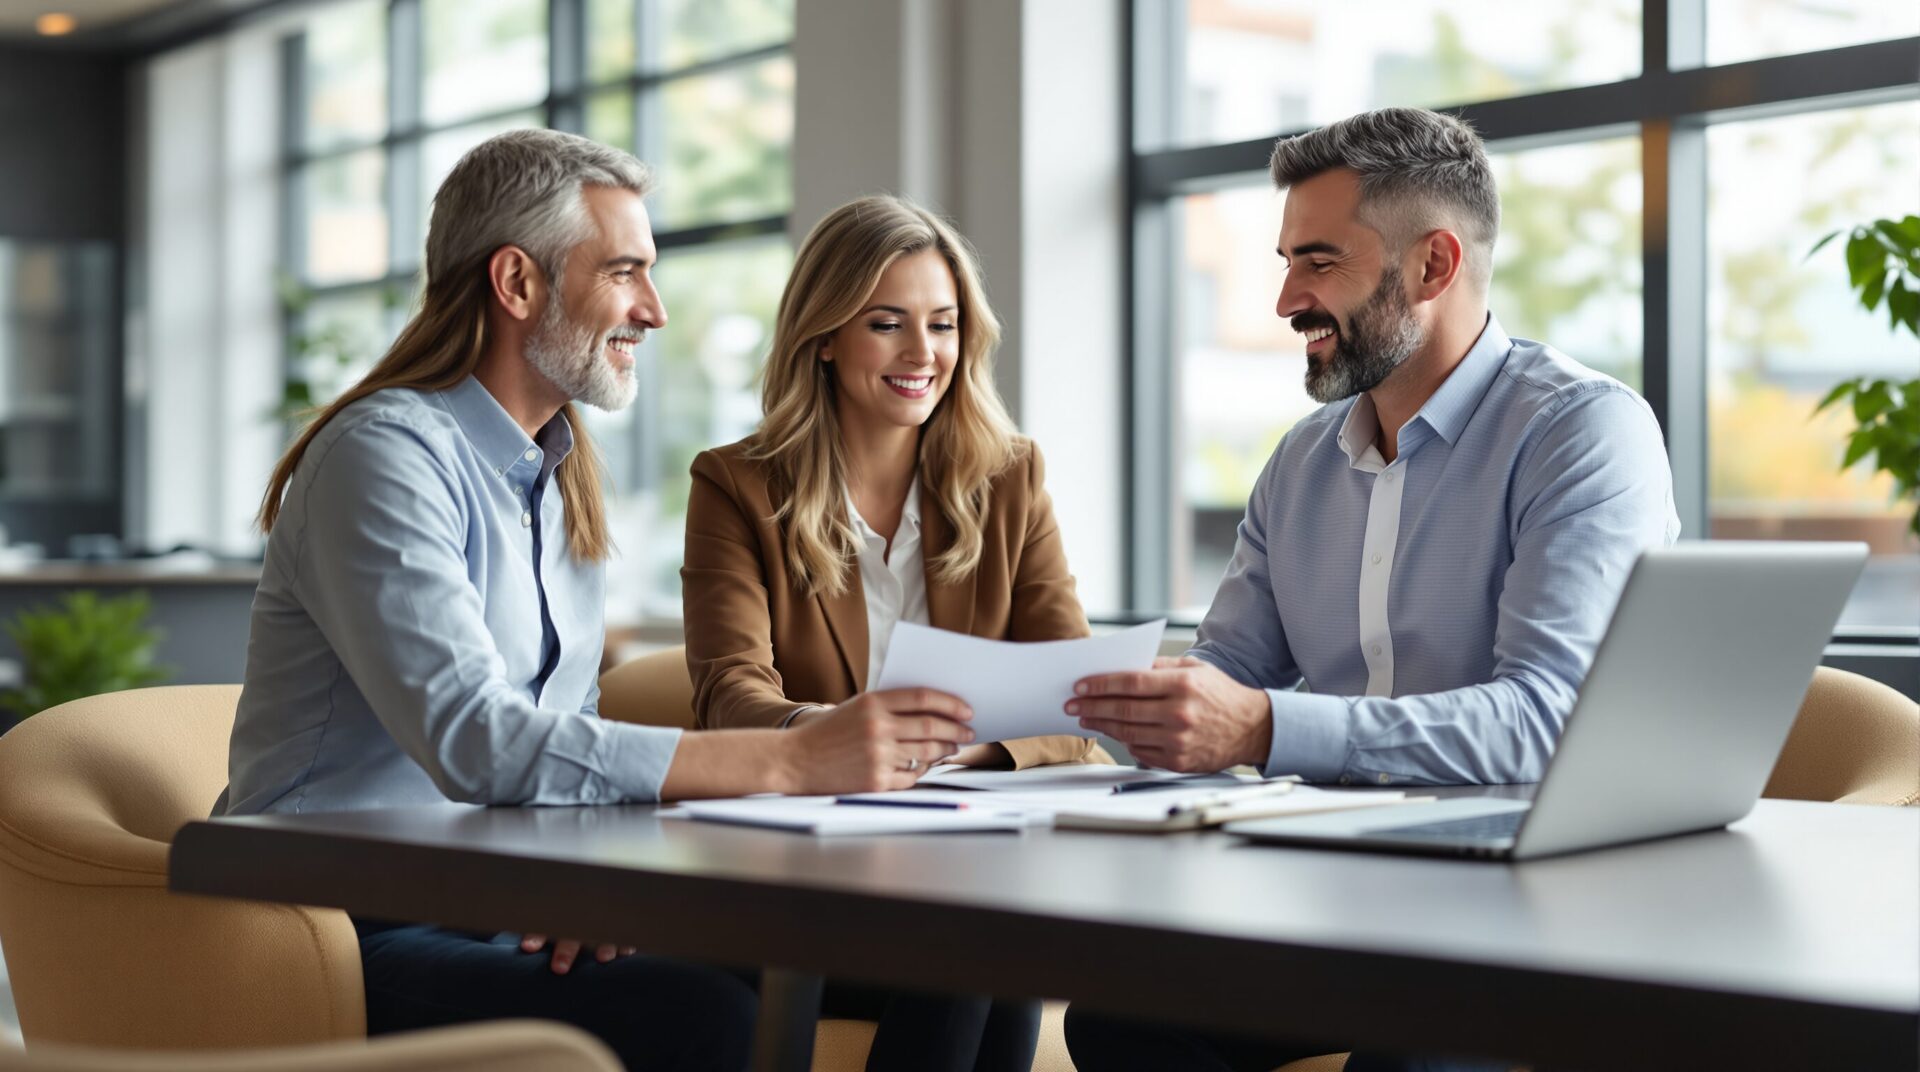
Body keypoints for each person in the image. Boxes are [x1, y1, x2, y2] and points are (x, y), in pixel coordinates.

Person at [219, 130, 975, 1072]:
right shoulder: (384, 457)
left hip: (496, 903)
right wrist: (787, 759)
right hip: (334, 923)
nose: (653, 311)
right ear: (517, 283)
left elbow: (564, 733)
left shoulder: (557, 473)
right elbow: (477, 740)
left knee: (958, 961)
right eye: (625, 272)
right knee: (697, 1012)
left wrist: (594, 892)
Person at [1061, 108, 1679, 1071]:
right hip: (1340, 900)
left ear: (1433, 266)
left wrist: (1267, 730)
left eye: (1318, 262)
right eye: (1285, 262)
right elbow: (1224, 672)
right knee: (1121, 1017)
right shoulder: (1303, 461)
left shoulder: (1583, 435)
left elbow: (1553, 721)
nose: (1284, 302)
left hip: (1532, 920)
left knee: (1413, 1052)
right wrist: (1019, 719)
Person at [679, 194, 1101, 1072]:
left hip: (962, 865)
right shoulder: (737, 486)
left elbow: (1076, 695)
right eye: (887, 324)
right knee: (978, 944)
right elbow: (729, 694)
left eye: (943, 325)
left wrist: (970, 752)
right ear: (825, 336)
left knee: (988, 934)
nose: (923, 355)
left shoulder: (1009, 477)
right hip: (801, 892)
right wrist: (835, 741)